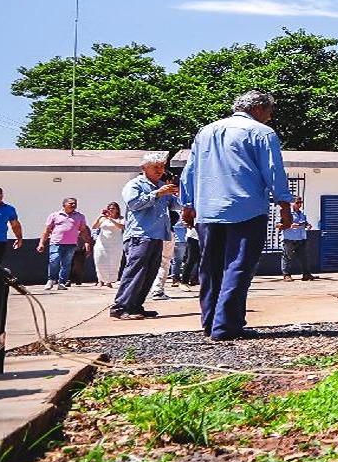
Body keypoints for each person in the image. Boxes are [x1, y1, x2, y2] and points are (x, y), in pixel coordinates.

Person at [180, 90, 294, 341]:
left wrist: (187, 205)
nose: (270, 117)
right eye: (269, 112)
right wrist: (284, 204)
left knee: (210, 268)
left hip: (208, 210)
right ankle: (226, 327)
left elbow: (189, 170)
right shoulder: (262, 133)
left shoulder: (206, 131)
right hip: (247, 208)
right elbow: (273, 170)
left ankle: (210, 322)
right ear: (259, 109)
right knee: (238, 267)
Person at [112, 152, 178, 320]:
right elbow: (134, 204)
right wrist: (157, 194)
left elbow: (175, 205)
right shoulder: (134, 184)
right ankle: (120, 307)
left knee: (149, 273)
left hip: (157, 235)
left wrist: (178, 193)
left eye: (162, 167)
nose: (160, 171)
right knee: (135, 271)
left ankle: (136, 306)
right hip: (140, 235)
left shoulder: (162, 186)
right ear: (144, 168)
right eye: (155, 167)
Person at [38, 197, 91, 291]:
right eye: (71, 203)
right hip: (56, 243)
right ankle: (51, 280)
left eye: (75, 203)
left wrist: (87, 242)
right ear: (64, 205)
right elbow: (46, 231)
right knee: (54, 260)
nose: (73, 205)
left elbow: (83, 230)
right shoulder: (54, 215)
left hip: (71, 244)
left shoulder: (80, 216)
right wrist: (41, 243)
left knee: (66, 264)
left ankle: (62, 283)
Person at [91, 203, 126, 287]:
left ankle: (109, 281)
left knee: (113, 263)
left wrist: (111, 219)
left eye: (113, 208)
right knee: (100, 261)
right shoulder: (103, 219)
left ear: (117, 210)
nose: (111, 210)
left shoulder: (121, 218)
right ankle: (100, 280)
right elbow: (94, 226)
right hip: (102, 243)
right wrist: (100, 217)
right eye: (109, 208)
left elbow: (121, 227)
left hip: (116, 244)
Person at [280, 196, 314, 280]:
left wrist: (308, 225)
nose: (299, 205)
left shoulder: (302, 214)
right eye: (297, 203)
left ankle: (306, 274)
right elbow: (278, 225)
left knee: (304, 257)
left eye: (300, 203)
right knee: (287, 256)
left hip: (301, 238)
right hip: (289, 238)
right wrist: (289, 226)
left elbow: (305, 223)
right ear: (292, 203)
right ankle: (286, 275)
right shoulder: (286, 213)